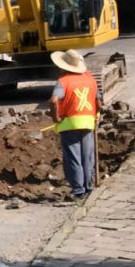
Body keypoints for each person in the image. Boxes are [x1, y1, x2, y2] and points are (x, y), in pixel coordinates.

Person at [49, 49, 99, 200]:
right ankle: (89, 186)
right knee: (87, 157)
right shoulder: (90, 80)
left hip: (69, 124)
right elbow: (99, 101)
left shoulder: (63, 81)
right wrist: (96, 115)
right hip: (88, 123)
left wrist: (55, 117)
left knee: (74, 158)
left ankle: (78, 190)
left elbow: (53, 100)